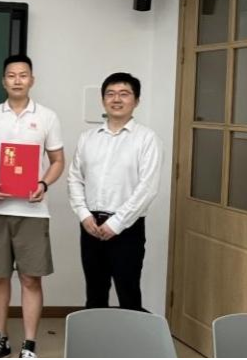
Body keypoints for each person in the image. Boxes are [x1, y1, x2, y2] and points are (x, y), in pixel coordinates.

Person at [0, 55, 65, 359]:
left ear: (32, 80)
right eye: (11, 75)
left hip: (33, 212)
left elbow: (57, 161)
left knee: (31, 278)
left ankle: (29, 345)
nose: (17, 80)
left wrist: (43, 184)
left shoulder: (48, 117)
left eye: (23, 75)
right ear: (3, 81)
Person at [67, 72, 162, 312]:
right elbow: (75, 178)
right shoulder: (88, 138)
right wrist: (84, 215)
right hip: (90, 225)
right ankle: (95, 336)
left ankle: (131, 337)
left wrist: (116, 223)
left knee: (128, 294)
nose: (116, 99)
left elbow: (147, 187)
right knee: (95, 293)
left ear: (136, 101)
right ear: (103, 100)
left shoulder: (147, 139)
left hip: (127, 227)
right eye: (110, 94)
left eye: (124, 94)